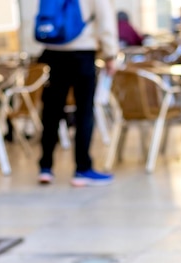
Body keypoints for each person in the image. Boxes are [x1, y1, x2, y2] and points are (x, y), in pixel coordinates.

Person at [36, 0, 119, 186]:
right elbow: (105, 19)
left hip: (53, 51)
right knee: (84, 112)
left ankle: (45, 167)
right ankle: (82, 169)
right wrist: (110, 54)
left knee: (51, 112)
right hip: (82, 52)